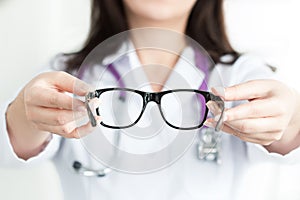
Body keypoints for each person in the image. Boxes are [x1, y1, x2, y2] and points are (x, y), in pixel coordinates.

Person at [1, 0, 300, 199]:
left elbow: (290, 137)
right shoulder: (67, 73)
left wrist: (289, 117)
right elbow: (11, 151)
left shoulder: (239, 73)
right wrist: (25, 114)